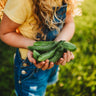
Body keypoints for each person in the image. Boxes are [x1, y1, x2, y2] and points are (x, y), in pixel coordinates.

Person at [0, 0, 76, 96]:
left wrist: (59, 44)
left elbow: (69, 23)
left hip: (53, 61)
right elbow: (5, 33)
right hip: (30, 65)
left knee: (43, 85)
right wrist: (34, 46)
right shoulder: (21, 2)